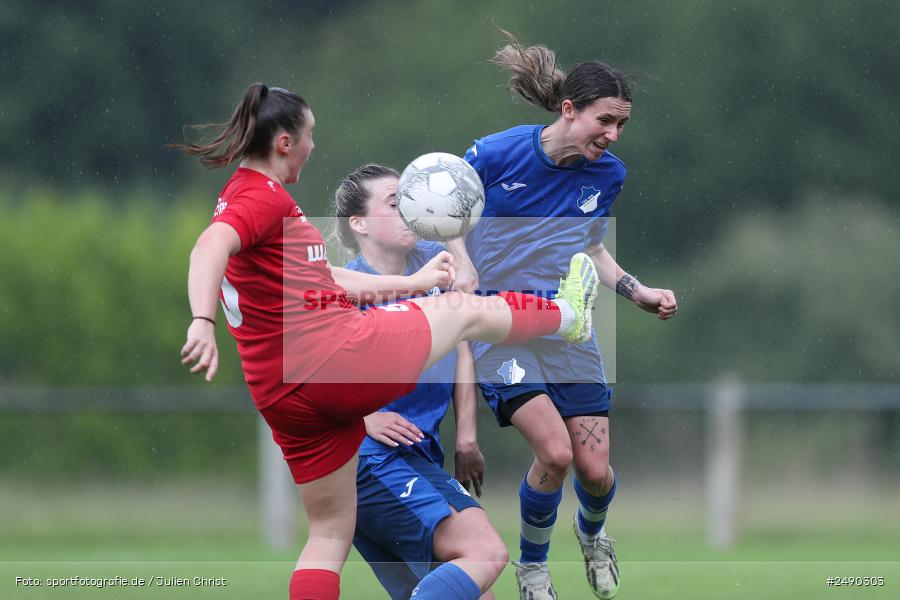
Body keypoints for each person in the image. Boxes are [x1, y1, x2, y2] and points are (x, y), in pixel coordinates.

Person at [174, 83, 600, 600]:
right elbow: (208, 246)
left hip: (284, 395)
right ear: (285, 142)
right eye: (310, 136)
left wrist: (413, 286)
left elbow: (322, 278)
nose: (313, 147)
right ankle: (566, 314)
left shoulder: (246, 194)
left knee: (328, 536)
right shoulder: (261, 199)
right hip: (333, 361)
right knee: (462, 311)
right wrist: (201, 319)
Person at [447, 34, 678, 600]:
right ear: (569, 110)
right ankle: (532, 568)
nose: (614, 135)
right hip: (500, 327)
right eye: (605, 120)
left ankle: (593, 534)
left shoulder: (608, 174)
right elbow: (443, 208)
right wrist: (460, 262)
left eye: (622, 124)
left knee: (594, 471)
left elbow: (591, 247)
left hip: (565, 327)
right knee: (554, 453)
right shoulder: (496, 153)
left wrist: (636, 289)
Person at [334, 163, 506, 599]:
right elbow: (312, 367)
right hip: (370, 461)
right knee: (484, 551)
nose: (408, 210)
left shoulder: (435, 267)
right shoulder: (350, 290)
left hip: (417, 456)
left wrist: (466, 437)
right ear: (359, 223)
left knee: (472, 588)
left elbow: (463, 341)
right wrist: (364, 416)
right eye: (395, 202)